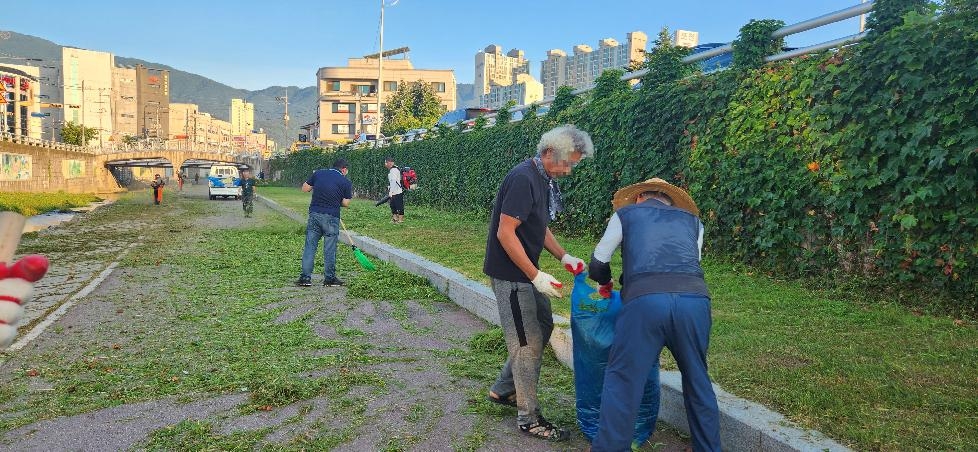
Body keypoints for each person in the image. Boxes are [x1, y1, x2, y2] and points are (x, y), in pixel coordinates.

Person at [588, 178, 721, 452]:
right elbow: (687, 263)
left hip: (645, 304)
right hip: (694, 302)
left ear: (639, 198)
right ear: (669, 201)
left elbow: (599, 261)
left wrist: (607, 282)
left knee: (623, 380)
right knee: (698, 379)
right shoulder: (694, 223)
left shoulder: (625, 215)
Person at [483, 125, 593, 442]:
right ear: (548, 153)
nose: (569, 170)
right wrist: (534, 275)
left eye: (573, 164)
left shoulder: (542, 179)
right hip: (512, 276)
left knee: (543, 325)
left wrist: (563, 256)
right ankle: (528, 418)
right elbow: (506, 232)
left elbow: (537, 225)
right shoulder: (523, 179)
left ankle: (504, 389)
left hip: (525, 274)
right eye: (567, 163)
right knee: (526, 343)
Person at [296, 158, 352, 287]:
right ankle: (329, 279)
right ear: (343, 169)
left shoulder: (319, 173)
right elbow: (346, 203)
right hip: (332, 217)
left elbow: (305, 188)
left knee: (310, 247)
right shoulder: (345, 182)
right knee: (329, 249)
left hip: (315, 215)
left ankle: (305, 278)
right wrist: (337, 198)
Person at [384, 156, 404, 224]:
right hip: (394, 191)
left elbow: (394, 181)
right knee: (392, 205)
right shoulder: (393, 169)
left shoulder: (394, 170)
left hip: (397, 191)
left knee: (399, 205)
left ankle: (400, 220)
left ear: (389, 163)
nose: (385, 164)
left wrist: (391, 191)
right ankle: (395, 219)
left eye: (385, 162)